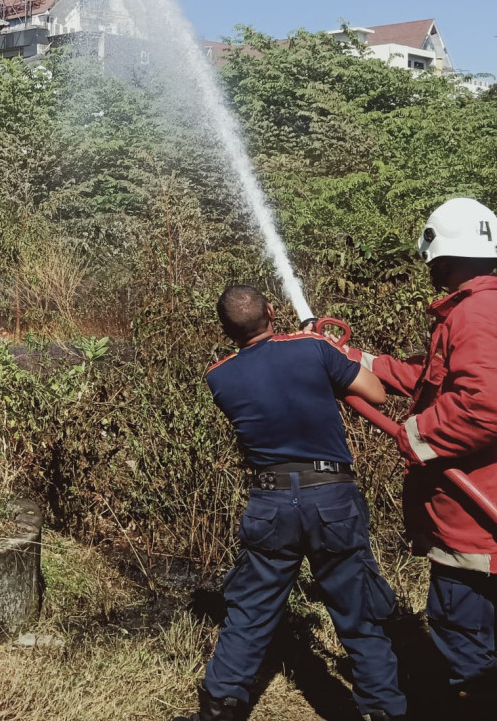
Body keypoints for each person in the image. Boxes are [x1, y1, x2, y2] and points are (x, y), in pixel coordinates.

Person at [173, 285, 406, 721]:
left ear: (225, 329)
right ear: (272, 311)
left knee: (250, 611)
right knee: (357, 613)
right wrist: (331, 348)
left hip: (270, 502)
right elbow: (375, 394)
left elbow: (271, 374)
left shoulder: (218, 376)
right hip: (332, 499)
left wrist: (311, 346)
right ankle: (382, 710)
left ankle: (220, 706)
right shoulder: (312, 348)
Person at [365, 197, 497, 719]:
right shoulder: (480, 309)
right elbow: (435, 381)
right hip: (479, 523)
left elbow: (485, 404)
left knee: (469, 654)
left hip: (475, 524)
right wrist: (364, 361)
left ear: (442, 253)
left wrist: (417, 435)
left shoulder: (475, 313)